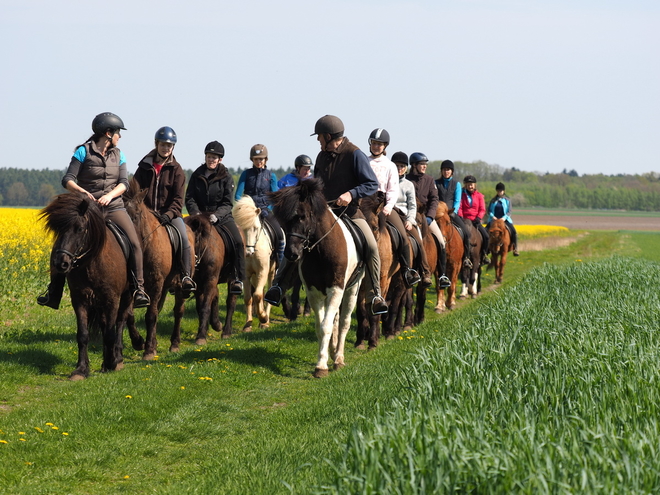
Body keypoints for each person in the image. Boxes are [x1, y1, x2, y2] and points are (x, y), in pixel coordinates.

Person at [265, 115, 388, 315]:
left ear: (329, 136)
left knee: (371, 246)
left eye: (319, 136)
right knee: (296, 240)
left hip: (350, 212)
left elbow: (371, 184)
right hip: (323, 212)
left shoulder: (355, 154)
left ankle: (375, 294)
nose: (317, 140)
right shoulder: (321, 156)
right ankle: (278, 286)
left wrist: (351, 194)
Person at [37, 112, 150, 309]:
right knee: (62, 243)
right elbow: (68, 179)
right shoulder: (83, 151)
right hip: (87, 209)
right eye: (117, 133)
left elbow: (124, 183)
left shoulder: (119, 154)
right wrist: (82, 192)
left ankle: (138, 288)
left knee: (134, 243)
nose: (119, 137)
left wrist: (110, 196)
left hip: (114, 207)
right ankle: (54, 290)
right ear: (108, 133)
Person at [133, 126, 196, 298]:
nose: (166, 148)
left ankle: (185, 276)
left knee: (183, 238)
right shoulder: (144, 167)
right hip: (146, 215)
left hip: (170, 215)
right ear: (156, 144)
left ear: (173, 147)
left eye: (169, 145)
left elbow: (178, 199)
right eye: (163, 145)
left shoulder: (177, 170)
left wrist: (168, 215)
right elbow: (135, 192)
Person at [185, 141, 245, 293]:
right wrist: (195, 213)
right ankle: (182, 276)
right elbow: (190, 198)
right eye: (209, 156)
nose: (211, 160)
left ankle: (238, 277)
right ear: (205, 157)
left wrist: (216, 215)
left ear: (220, 160)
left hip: (221, 217)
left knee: (238, 241)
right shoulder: (196, 175)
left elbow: (227, 202)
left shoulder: (227, 177)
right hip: (198, 217)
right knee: (182, 238)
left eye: (214, 157)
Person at [366, 128, 423, 287]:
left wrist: (388, 206)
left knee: (403, 235)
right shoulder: (364, 161)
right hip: (364, 204)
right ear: (370, 144)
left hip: (383, 204)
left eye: (380, 144)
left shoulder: (390, 165)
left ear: (385, 146)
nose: (377, 146)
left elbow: (392, 189)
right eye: (374, 143)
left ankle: (407, 270)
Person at [406, 152, 451, 288]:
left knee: (441, 242)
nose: (424, 166)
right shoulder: (406, 179)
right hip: (409, 217)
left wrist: (430, 216)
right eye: (422, 164)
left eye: (426, 164)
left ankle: (442, 275)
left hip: (426, 217)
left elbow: (434, 199)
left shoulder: (429, 180)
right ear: (414, 165)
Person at [391, 151, 435, 287]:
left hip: (406, 216)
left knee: (419, 240)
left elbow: (412, 205)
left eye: (402, 166)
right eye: (397, 166)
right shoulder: (387, 181)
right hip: (389, 214)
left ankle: (425, 272)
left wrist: (410, 220)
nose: (400, 169)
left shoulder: (408, 184)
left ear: (406, 167)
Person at [235, 144, 285, 263]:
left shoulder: (271, 176)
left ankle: (278, 263)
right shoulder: (245, 174)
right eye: (256, 159)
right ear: (252, 159)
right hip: (248, 213)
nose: (259, 161)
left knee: (279, 233)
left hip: (265, 210)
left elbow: (275, 197)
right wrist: (245, 210)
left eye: (261, 159)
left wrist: (267, 208)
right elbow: (237, 195)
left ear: (265, 160)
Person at [434, 159, 472, 267]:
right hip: (438, 214)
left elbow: (457, 201)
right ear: (441, 171)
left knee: (466, 232)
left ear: (452, 171)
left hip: (452, 213)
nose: (446, 172)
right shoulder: (435, 183)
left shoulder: (457, 184)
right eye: (444, 169)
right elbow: (434, 198)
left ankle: (466, 258)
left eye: (448, 170)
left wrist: (452, 212)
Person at [458, 175, 490, 265]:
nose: (470, 186)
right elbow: (460, 208)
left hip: (476, 221)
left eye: (471, 184)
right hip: (465, 221)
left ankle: (484, 255)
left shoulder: (479, 196)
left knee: (486, 236)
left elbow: (482, 209)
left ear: (475, 185)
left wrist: (479, 218)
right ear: (465, 185)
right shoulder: (461, 195)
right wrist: (461, 217)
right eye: (468, 185)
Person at [486, 182, 519, 256]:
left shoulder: (507, 200)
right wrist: (492, 216)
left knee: (514, 231)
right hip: (494, 220)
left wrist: (504, 218)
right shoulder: (493, 200)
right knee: (485, 231)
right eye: (498, 191)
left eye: (501, 191)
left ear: (503, 191)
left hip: (505, 220)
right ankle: (486, 249)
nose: (499, 192)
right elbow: (489, 210)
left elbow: (509, 211)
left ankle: (515, 249)